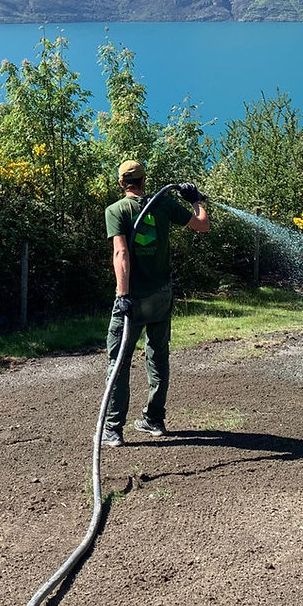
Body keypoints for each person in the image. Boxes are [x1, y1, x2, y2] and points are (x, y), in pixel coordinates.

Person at [102, 160, 210, 447]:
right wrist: (197, 200)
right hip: (161, 297)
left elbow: (121, 254)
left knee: (118, 362)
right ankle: (154, 419)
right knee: (158, 356)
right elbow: (202, 225)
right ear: (144, 180)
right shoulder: (163, 205)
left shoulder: (116, 211)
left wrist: (123, 296)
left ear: (121, 183)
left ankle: (113, 430)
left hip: (133, 298)